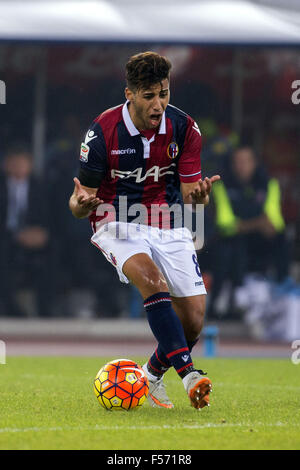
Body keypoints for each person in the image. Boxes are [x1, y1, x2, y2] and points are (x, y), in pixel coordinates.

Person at [69, 51, 220, 409]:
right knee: (152, 280)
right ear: (130, 94)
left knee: (194, 321)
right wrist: (79, 206)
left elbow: (190, 195)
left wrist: (199, 197)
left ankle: (149, 378)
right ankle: (190, 375)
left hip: (167, 222)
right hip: (115, 220)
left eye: (164, 93)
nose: (159, 104)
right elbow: (79, 202)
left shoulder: (185, 128)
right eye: (149, 95)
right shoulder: (101, 132)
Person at [208, 145, 289, 318]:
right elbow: (226, 223)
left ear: (255, 163)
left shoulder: (269, 184)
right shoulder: (222, 185)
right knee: (229, 246)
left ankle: (283, 288)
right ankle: (224, 303)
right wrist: (257, 223)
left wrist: (246, 225)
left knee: (283, 240)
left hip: (260, 242)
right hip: (232, 242)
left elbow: (274, 223)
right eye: (237, 162)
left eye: (246, 161)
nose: (241, 166)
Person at [0, 145, 54, 317]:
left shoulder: (41, 186)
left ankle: (45, 312)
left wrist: (43, 234)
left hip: (34, 238)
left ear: (30, 165)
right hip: (6, 238)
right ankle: (13, 311)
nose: (18, 167)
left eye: (22, 163)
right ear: (6, 164)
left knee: (53, 254)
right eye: (14, 163)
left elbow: (51, 217)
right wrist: (16, 235)